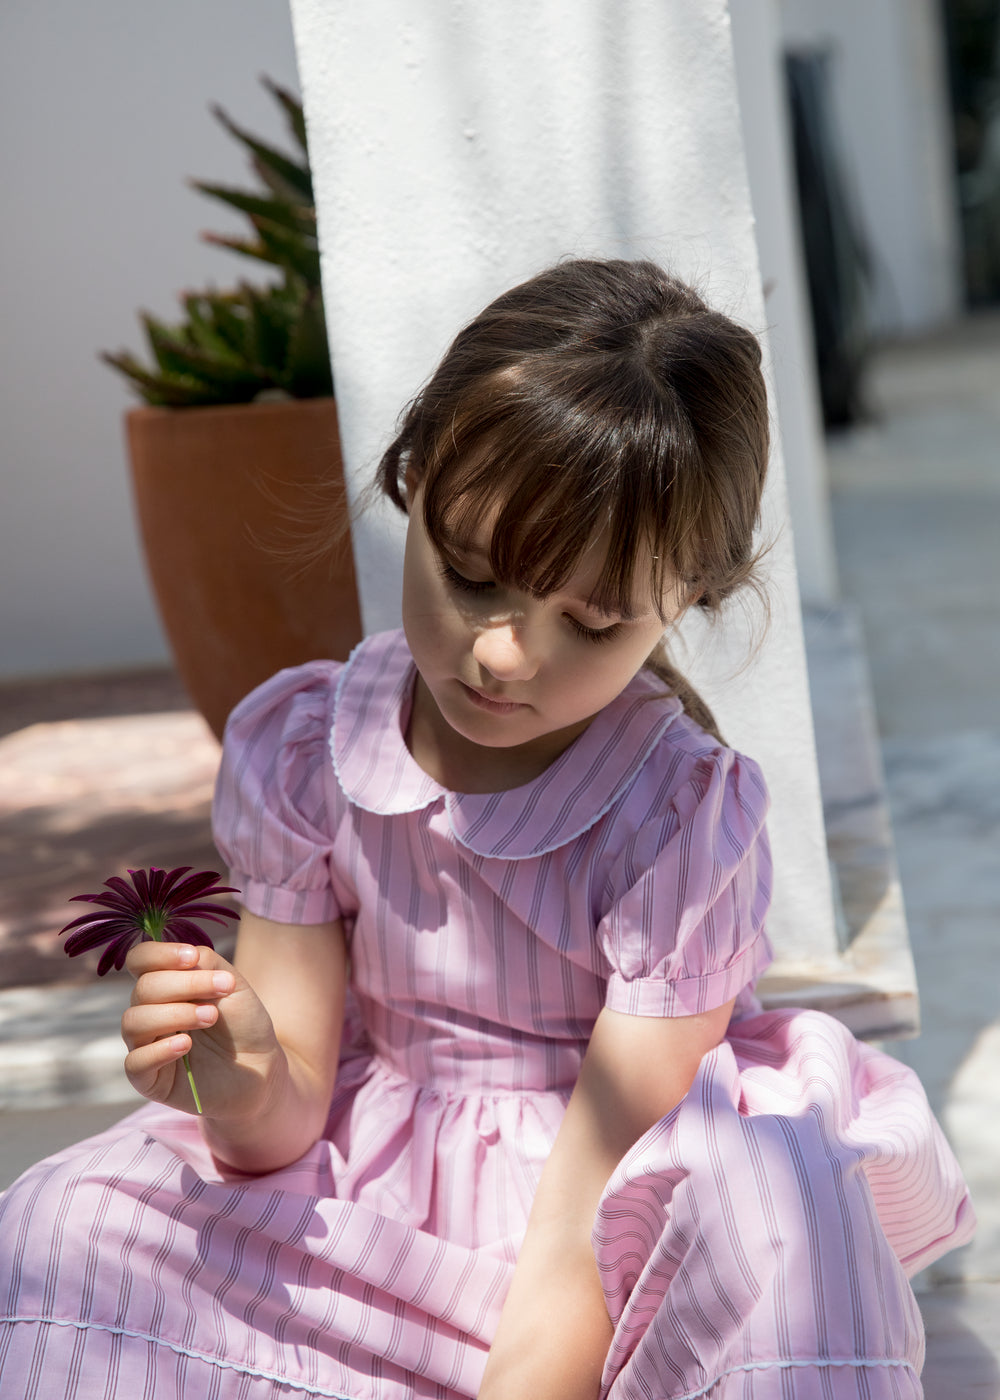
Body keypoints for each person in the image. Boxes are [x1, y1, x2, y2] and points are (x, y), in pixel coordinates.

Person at [0, 259, 973, 1399]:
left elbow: (587, 1207)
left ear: (684, 599)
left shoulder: (673, 814)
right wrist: (241, 1065)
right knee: (63, 1223)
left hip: (605, 1251)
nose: (502, 653)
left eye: (594, 621)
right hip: (375, 1215)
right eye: (469, 575)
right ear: (411, 480)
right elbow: (283, 1116)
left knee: (776, 1192)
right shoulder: (313, 747)